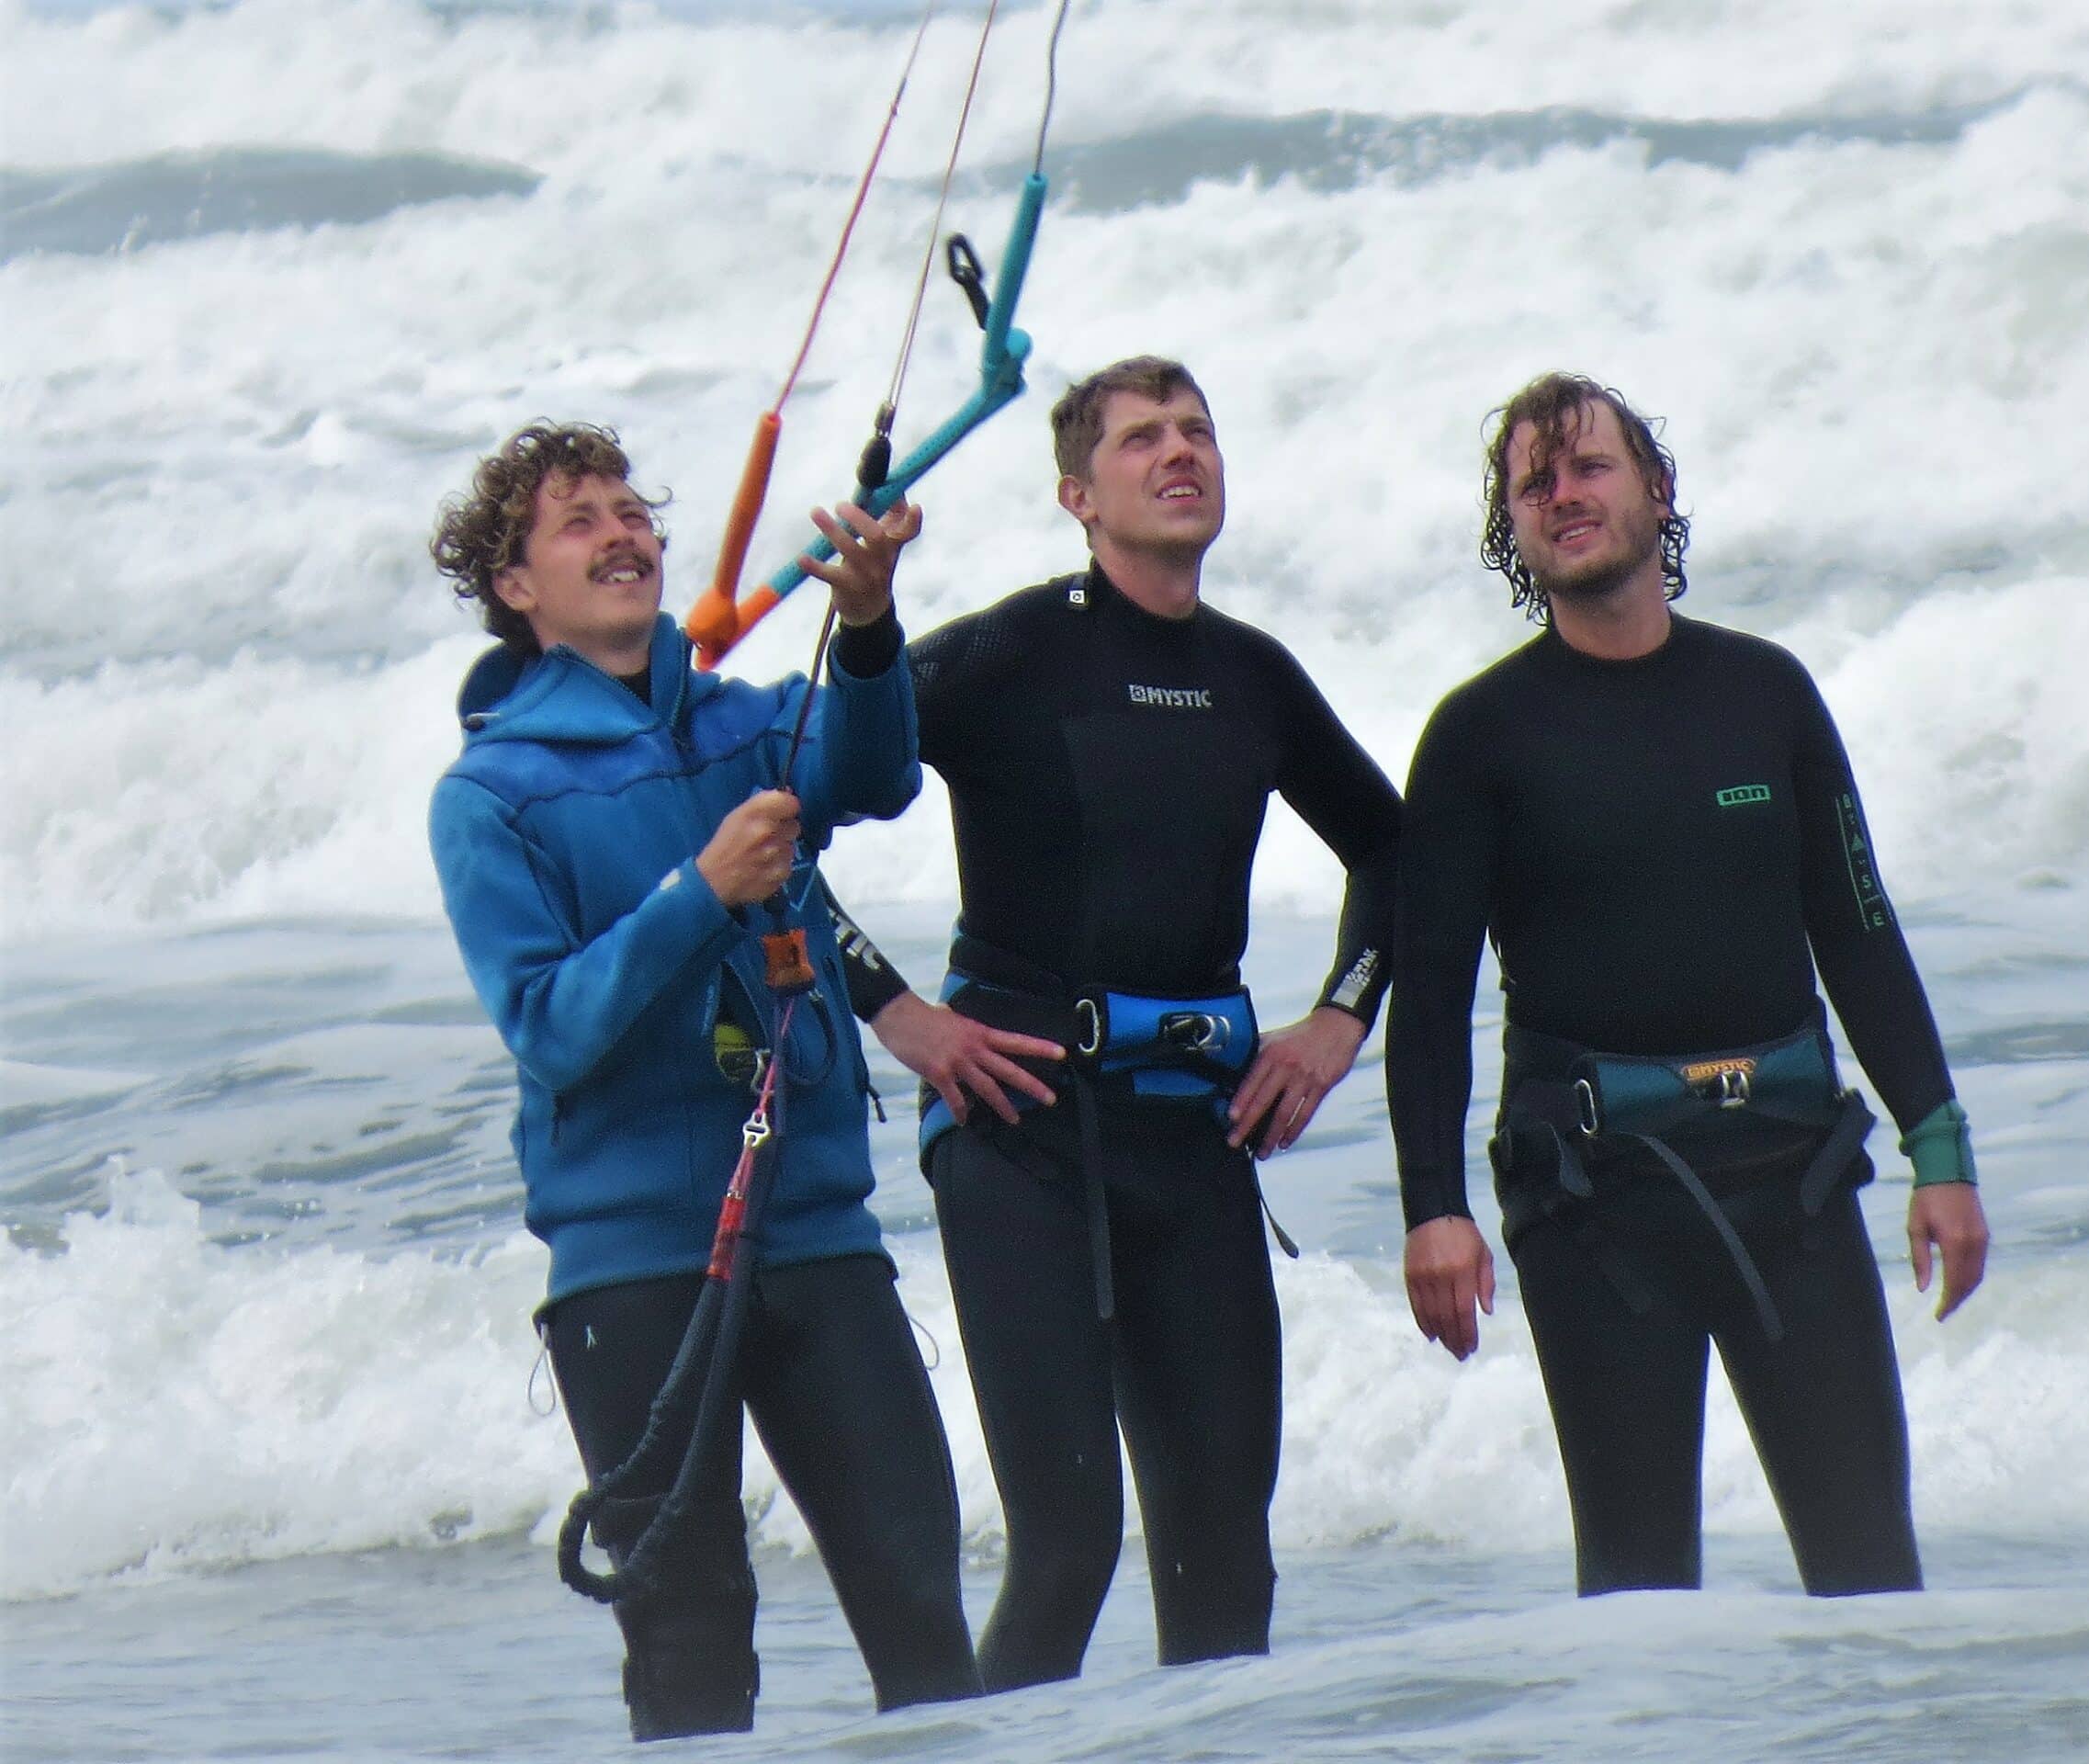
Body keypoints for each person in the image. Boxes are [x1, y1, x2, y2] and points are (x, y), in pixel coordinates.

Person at [835, 356, 1403, 1689]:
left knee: (1227, 1562)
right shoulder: (1015, 651)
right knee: (1071, 1546)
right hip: (1019, 1137)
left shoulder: (1252, 676)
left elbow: (1395, 852)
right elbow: (782, 810)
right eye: (1143, 437)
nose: (1180, 452)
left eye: (1199, 429)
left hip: (1193, 1146)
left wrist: (1335, 1023)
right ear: (1077, 495)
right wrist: (899, 1013)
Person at [1387, 373, 1991, 1599]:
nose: (1565, 494)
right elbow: (1433, 994)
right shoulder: (1479, 735)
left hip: (1793, 1176)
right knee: (1636, 1592)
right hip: (1593, 1202)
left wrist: (1943, 1152)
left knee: (1871, 1571)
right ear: (1514, 527)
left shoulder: (1765, 695)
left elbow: (1861, 932)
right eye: (1534, 482)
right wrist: (1431, 1208)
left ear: (1656, 493)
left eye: (1591, 467)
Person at [425, 422, 979, 1741]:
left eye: (634, 513)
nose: (624, 535)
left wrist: (865, 628)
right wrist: (702, 893)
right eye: (580, 521)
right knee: (689, 1650)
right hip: (634, 1265)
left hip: (819, 1234)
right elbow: (551, 1027)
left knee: (922, 1617)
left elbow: (874, 772)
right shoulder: (487, 795)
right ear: (516, 585)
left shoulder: (746, 728)